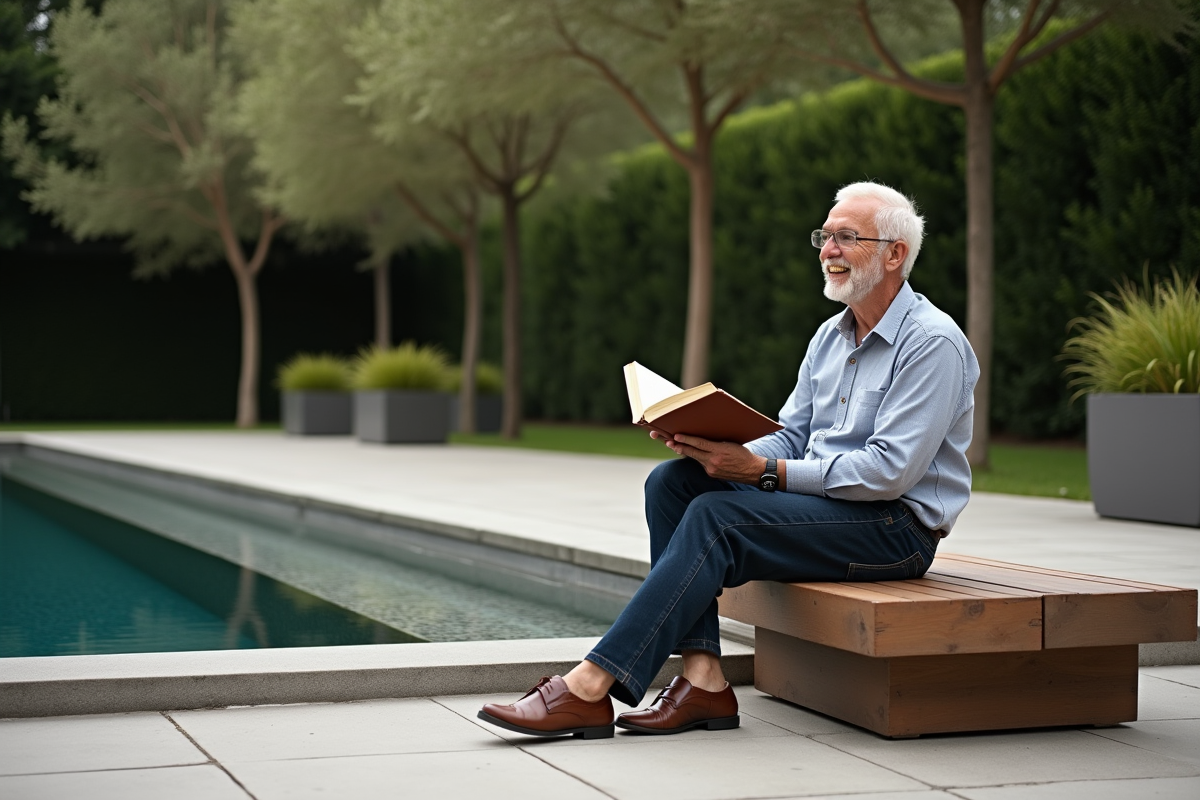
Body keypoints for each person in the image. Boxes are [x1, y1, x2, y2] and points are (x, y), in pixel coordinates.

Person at [478, 181, 980, 739]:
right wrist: (716, 450)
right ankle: (705, 681)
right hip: (833, 510)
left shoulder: (932, 343)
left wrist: (760, 472)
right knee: (674, 483)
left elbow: (887, 474)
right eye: (825, 236)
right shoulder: (829, 338)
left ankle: (590, 686)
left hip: (894, 530)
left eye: (846, 237)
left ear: (895, 254)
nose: (828, 250)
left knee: (718, 517)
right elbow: (792, 437)